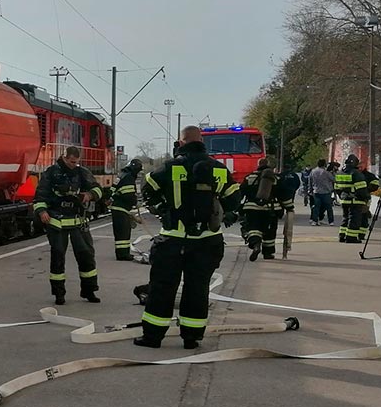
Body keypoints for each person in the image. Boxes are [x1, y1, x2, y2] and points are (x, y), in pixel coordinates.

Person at [135, 126, 243, 350]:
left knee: (162, 288)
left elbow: (147, 190)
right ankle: (191, 338)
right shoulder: (219, 169)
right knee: (198, 289)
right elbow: (234, 199)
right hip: (207, 241)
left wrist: (161, 210)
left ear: (181, 142)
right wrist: (224, 213)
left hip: (173, 240)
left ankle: (152, 337)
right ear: (202, 141)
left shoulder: (170, 167)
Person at [35, 146, 102, 305]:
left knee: (86, 256)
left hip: (78, 222)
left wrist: (89, 194)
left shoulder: (82, 172)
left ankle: (89, 290)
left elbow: (98, 190)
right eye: (72, 162)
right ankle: (59, 294)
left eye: (76, 162)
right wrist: (42, 211)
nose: (74, 165)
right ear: (64, 158)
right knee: (58, 257)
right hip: (56, 221)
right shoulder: (51, 173)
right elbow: (40, 195)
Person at [240, 158, 280, 260]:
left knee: (253, 228)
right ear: (268, 165)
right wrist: (289, 207)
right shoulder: (274, 178)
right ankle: (268, 253)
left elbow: (241, 192)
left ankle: (256, 245)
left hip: (252, 208)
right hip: (270, 209)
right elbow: (282, 193)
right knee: (269, 231)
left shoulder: (249, 177)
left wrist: (236, 206)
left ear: (258, 165)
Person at [109, 159, 144, 261]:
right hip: (121, 208)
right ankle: (123, 255)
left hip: (118, 208)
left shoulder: (122, 175)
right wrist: (135, 202)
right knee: (123, 233)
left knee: (121, 232)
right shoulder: (128, 177)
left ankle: (123, 253)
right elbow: (128, 194)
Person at [335, 154, 371, 243]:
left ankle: (342, 236)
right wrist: (366, 198)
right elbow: (361, 189)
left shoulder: (339, 173)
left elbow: (336, 187)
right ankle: (351, 238)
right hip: (355, 200)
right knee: (354, 219)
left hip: (344, 200)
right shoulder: (356, 173)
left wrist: (341, 196)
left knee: (345, 218)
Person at [308, 158, 335, 226]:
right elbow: (333, 179)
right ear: (324, 164)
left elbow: (310, 181)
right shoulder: (326, 172)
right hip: (326, 192)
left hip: (316, 192)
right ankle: (331, 221)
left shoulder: (313, 171)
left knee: (316, 207)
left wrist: (310, 190)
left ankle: (314, 220)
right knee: (329, 207)